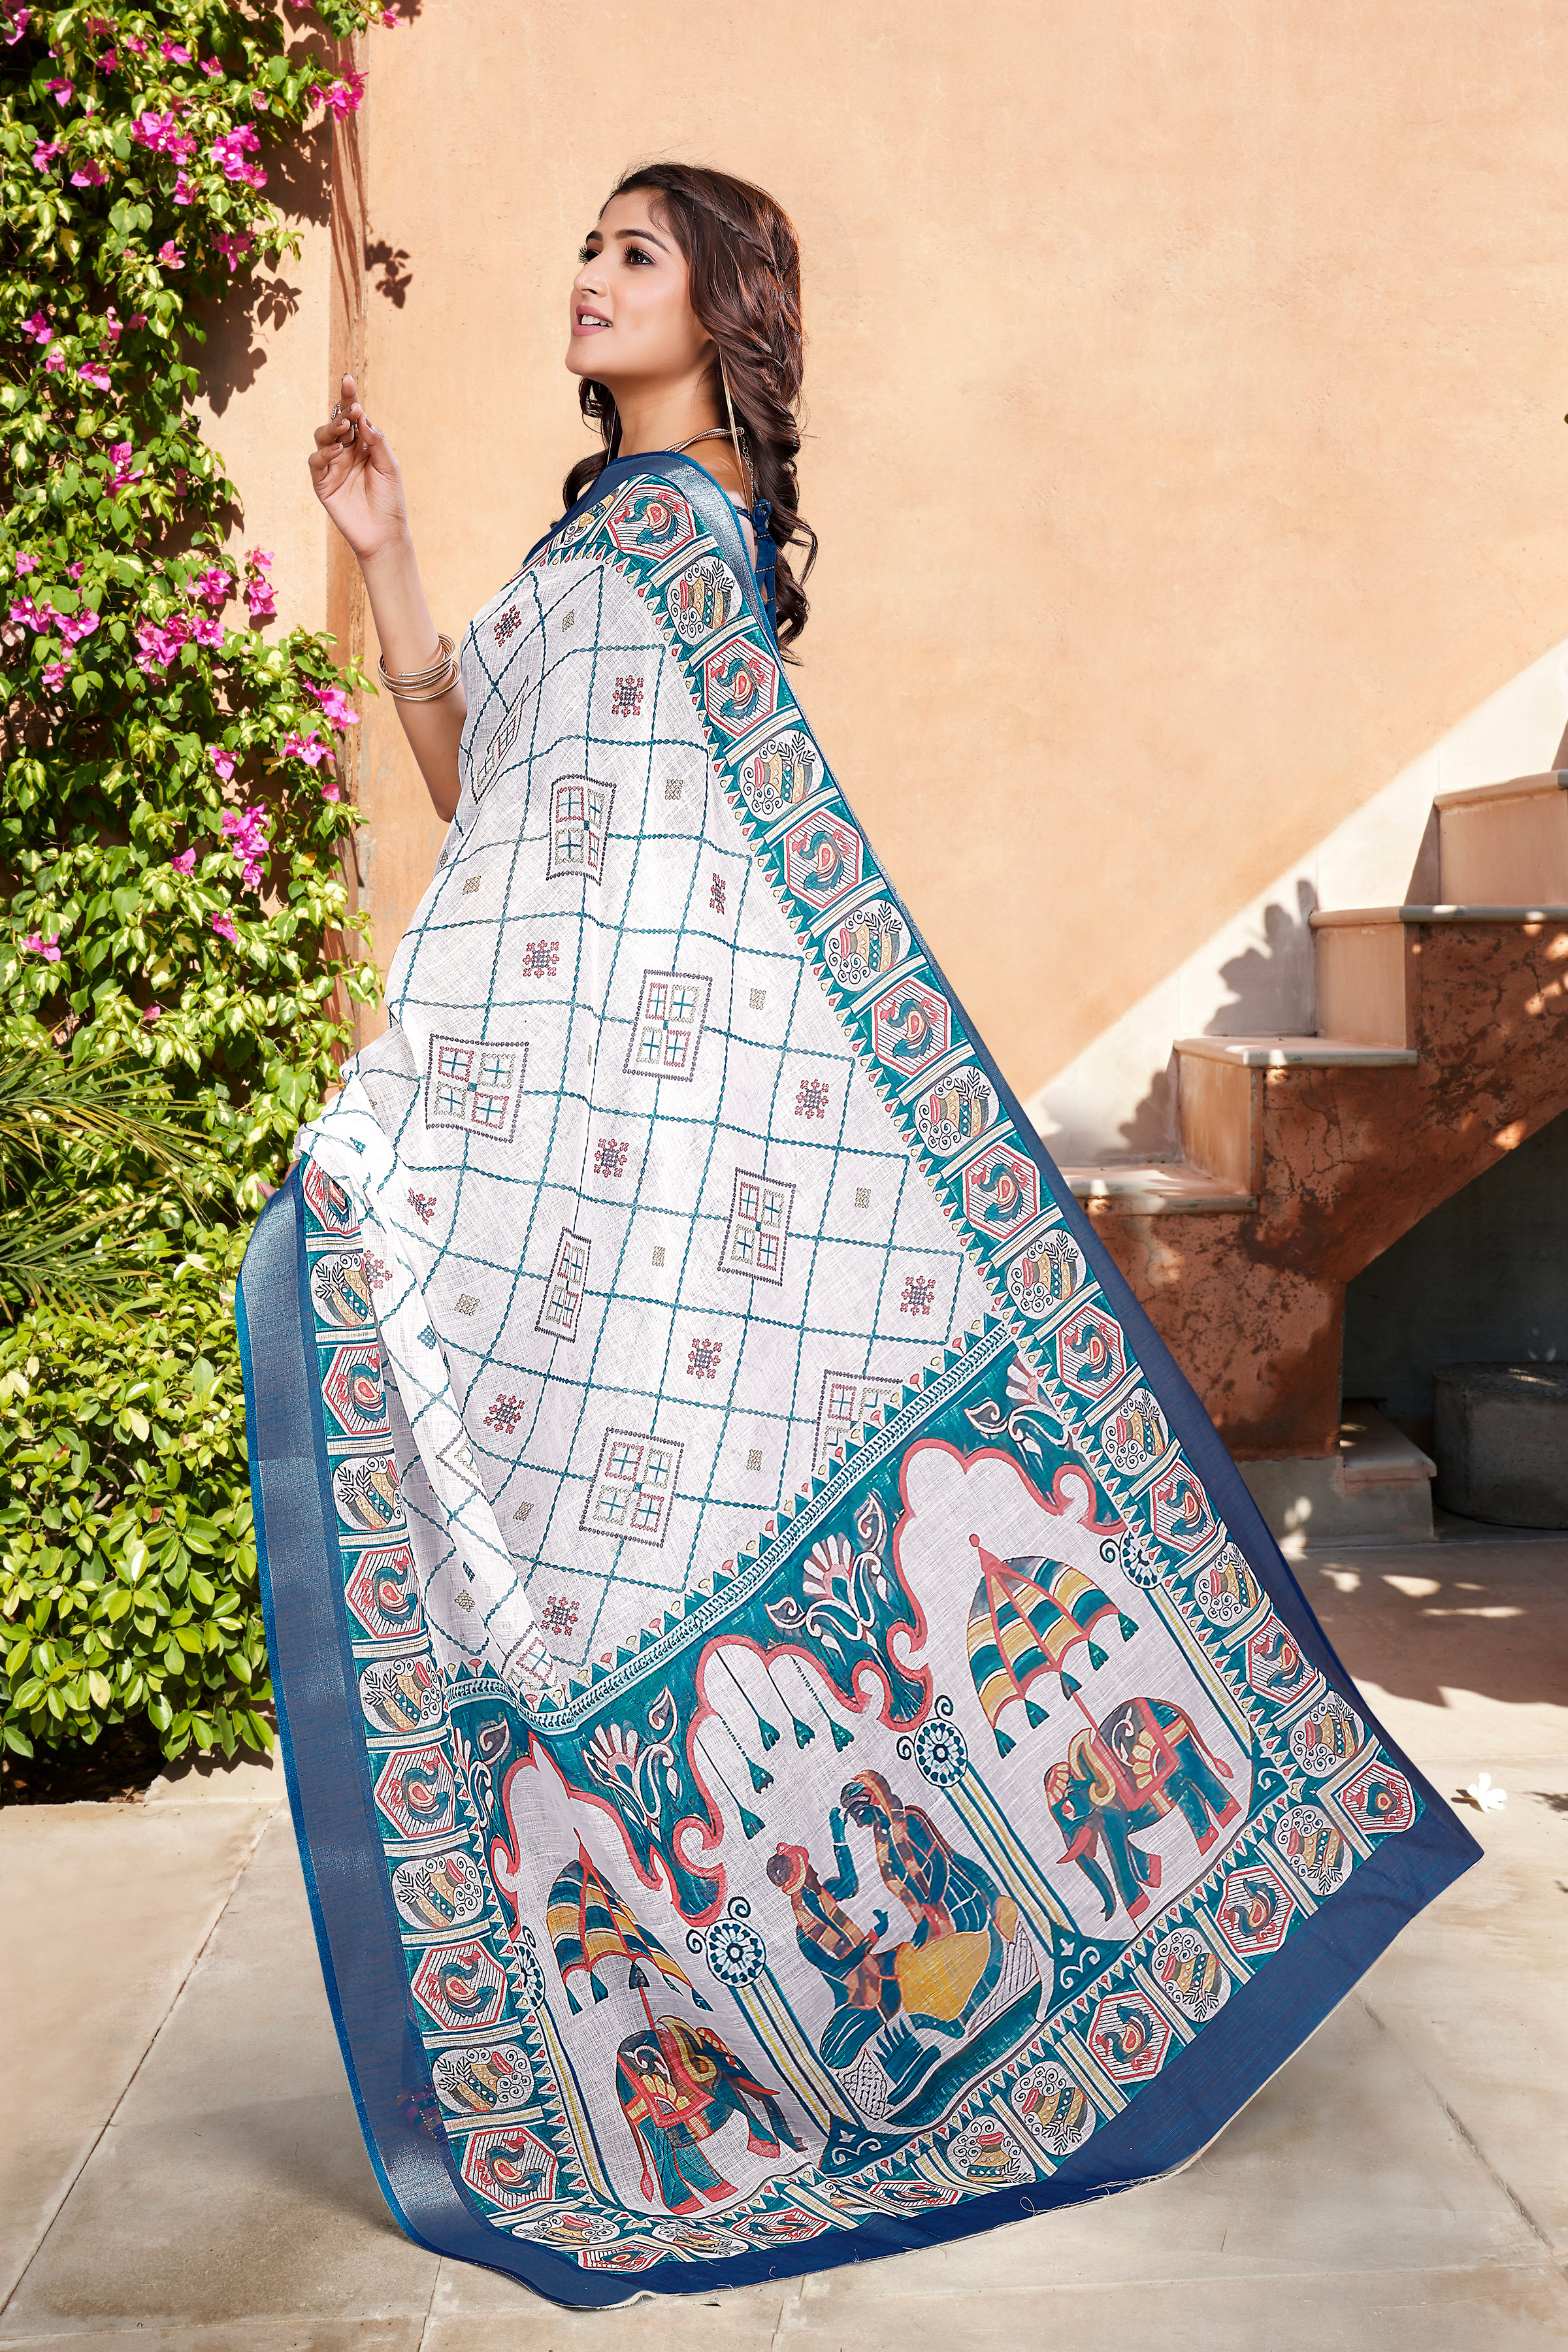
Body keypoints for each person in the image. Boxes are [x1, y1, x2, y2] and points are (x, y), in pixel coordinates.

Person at [238, 162, 1477, 2309]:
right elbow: (499, 808)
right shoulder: (600, 546)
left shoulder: (680, 545)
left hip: (652, 1156)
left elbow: (664, 896)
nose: (588, 276)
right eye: (587, 247)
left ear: (724, 306)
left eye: (633, 253)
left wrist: (495, 1109)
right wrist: (394, 559)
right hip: (597, 1147)